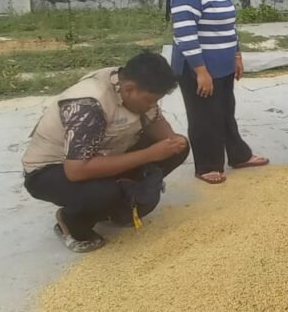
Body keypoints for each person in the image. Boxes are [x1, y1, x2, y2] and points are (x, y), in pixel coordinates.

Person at [22, 51, 189, 253]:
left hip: (105, 155)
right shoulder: (89, 104)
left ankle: (118, 203)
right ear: (129, 89)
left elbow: (154, 119)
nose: (152, 105)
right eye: (149, 100)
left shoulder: (133, 86)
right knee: (102, 193)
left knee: (176, 148)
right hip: (52, 171)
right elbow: (76, 171)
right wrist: (150, 154)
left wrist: (171, 140)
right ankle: (70, 221)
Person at [169, 0, 269, 185]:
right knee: (204, 117)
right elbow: (185, 34)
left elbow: (229, 26)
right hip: (197, 70)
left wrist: (236, 55)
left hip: (222, 68)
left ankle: (238, 155)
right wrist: (201, 71)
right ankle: (207, 165)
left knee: (225, 113)